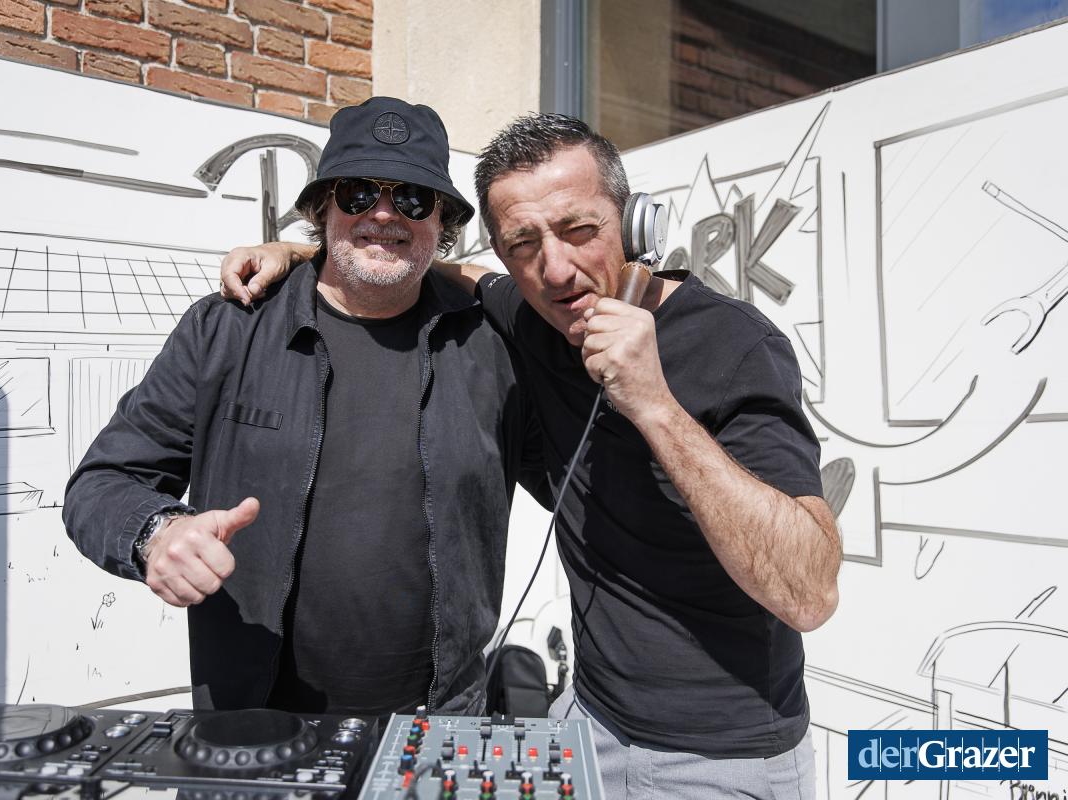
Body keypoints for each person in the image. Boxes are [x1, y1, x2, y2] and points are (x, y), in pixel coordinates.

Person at [220, 113, 841, 800]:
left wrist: (655, 404)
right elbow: (447, 271)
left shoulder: (737, 346)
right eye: (524, 244)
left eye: (579, 230)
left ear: (637, 226)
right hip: (588, 716)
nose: (557, 268)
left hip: (720, 757)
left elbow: (808, 594)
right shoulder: (536, 312)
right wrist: (306, 252)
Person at [63, 97, 545, 719]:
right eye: (358, 193)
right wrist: (159, 533)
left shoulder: (492, 346)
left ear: (442, 221)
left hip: (438, 723)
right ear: (322, 209)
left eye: (412, 199)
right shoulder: (228, 331)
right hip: (253, 726)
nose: (383, 213)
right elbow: (103, 483)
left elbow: (582, 485)